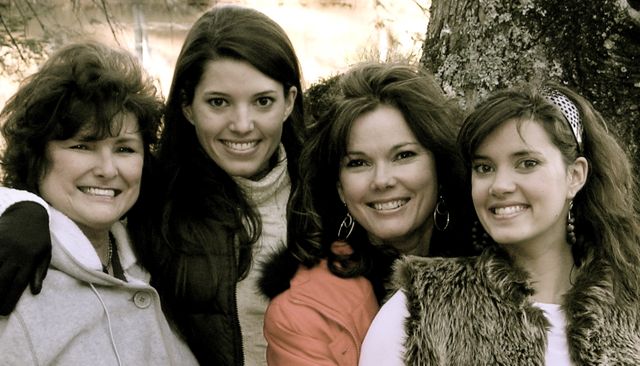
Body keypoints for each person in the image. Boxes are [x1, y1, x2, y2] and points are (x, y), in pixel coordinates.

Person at [0, 5, 304, 365]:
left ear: (289, 102)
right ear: (187, 107)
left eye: (263, 101)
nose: (242, 124)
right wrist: (17, 206)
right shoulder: (159, 202)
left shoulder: (328, 187)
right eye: (218, 102)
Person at [359, 82, 640, 365]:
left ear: (575, 175)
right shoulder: (419, 306)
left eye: (527, 163)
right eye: (484, 168)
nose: (500, 185)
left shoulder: (631, 306)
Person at [259, 62, 476, 365]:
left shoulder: (495, 262)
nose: (382, 180)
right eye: (358, 163)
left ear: (440, 165)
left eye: (403, 156)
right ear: (339, 187)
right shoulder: (303, 312)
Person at [0, 41, 197, 365]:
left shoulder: (154, 255)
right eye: (82, 146)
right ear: (36, 156)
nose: (107, 170)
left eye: (125, 149)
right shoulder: (14, 277)